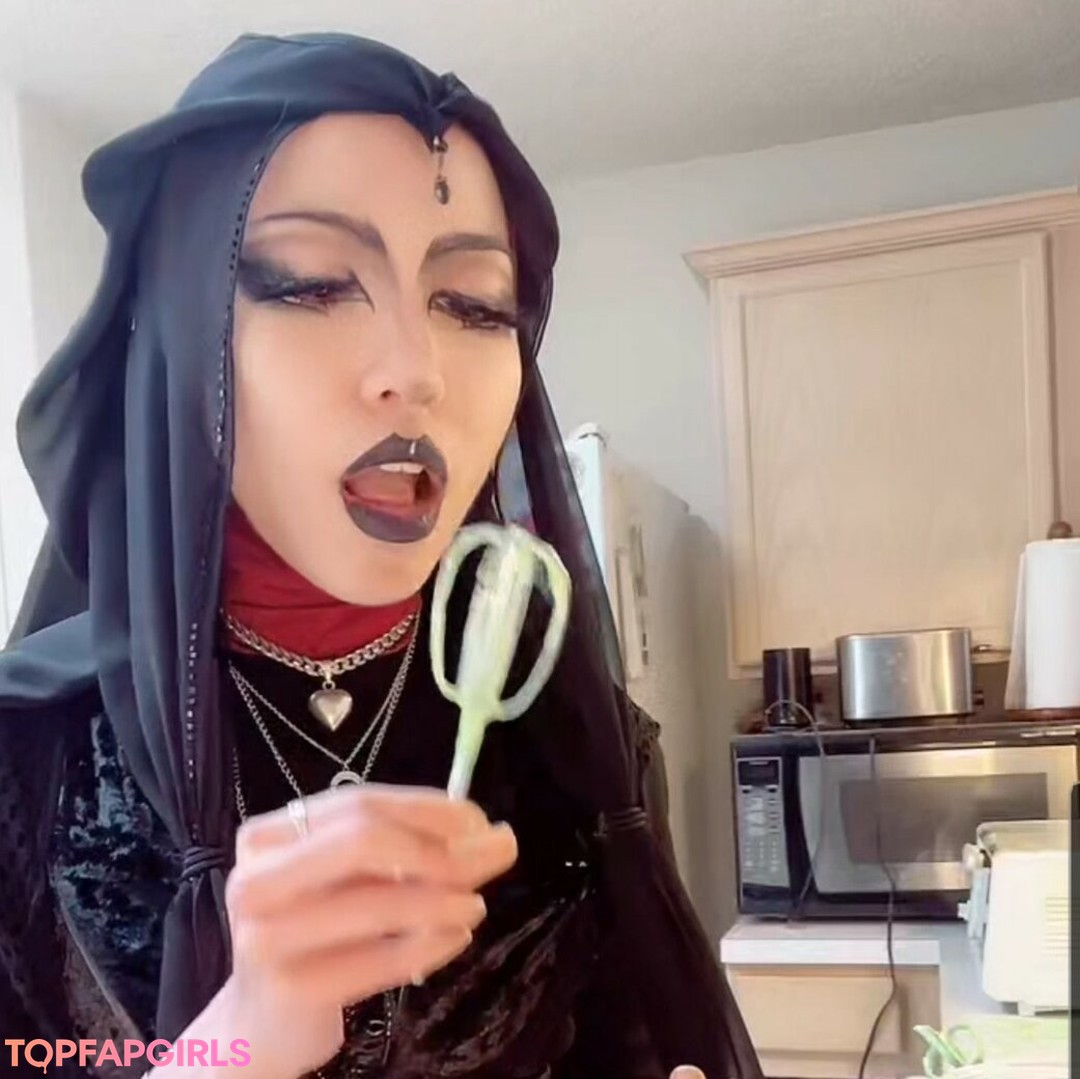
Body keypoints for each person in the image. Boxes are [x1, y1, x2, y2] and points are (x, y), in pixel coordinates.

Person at [0, 32, 761, 1079]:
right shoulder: (32, 762)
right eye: (312, 284)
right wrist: (231, 1044)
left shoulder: (577, 746)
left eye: (476, 304)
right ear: (175, 336)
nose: (416, 370)